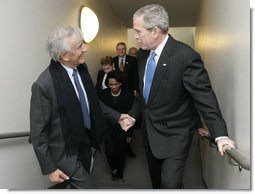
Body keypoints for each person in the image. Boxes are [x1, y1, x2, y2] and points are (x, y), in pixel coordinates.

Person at [120, 4, 235, 189]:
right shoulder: (142, 55)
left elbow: (205, 97)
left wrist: (220, 135)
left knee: (170, 185)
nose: (135, 36)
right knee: (157, 184)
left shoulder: (185, 56)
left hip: (175, 136)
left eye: (138, 31)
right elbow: (144, 93)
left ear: (155, 31)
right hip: (150, 135)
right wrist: (133, 115)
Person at [29, 26, 107, 189]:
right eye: (79, 46)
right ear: (64, 55)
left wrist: (118, 116)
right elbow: (38, 133)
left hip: (84, 144)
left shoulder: (81, 69)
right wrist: (49, 168)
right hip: (65, 154)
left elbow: (91, 104)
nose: (84, 48)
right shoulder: (44, 85)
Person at [98, 70, 134, 182]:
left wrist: (130, 134)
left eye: (116, 84)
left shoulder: (128, 95)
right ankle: (113, 169)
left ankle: (119, 174)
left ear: (120, 83)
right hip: (108, 129)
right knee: (109, 152)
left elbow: (131, 115)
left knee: (121, 153)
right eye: (110, 85)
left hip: (123, 129)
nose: (113, 87)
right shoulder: (103, 95)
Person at [113, 42, 138, 158]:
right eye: (119, 49)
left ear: (125, 50)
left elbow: (135, 76)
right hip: (117, 94)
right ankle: (119, 144)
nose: (121, 51)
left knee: (128, 118)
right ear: (117, 50)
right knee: (119, 118)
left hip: (128, 94)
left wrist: (135, 90)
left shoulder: (132, 60)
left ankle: (128, 146)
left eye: (123, 49)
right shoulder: (113, 60)